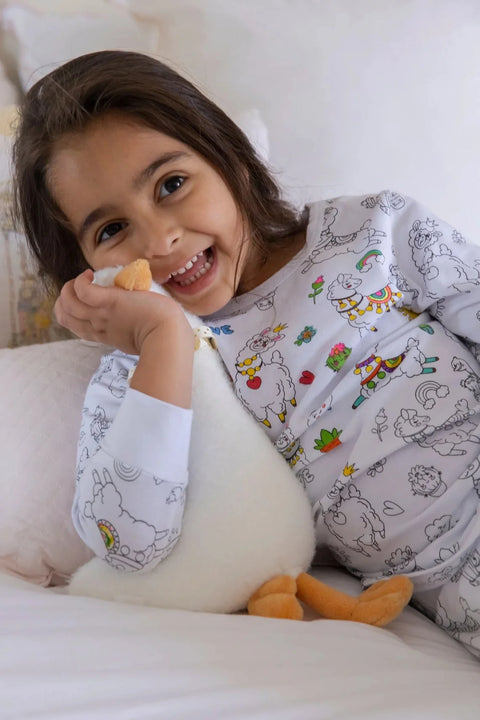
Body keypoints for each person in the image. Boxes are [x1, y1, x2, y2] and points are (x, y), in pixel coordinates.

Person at [12, 50, 480, 658]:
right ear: (84, 271)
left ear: (228, 158)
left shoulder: (373, 232)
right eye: (111, 231)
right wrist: (163, 342)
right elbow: (129, 542)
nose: (159, 240)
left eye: (171, 185)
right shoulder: (145, 372)